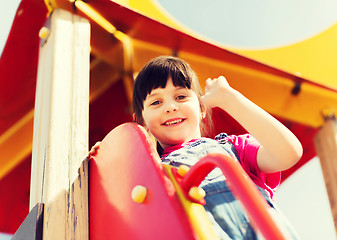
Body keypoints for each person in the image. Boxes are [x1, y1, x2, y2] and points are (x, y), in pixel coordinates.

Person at [91, 56, 303, 239]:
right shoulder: (153, 174)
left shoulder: (234, 148)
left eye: (181, 97)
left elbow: (288, 152)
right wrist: (114, 160)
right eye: (156, 103)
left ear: (201, 108)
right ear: (143, 122)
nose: (170, 107)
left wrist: (230, 100)